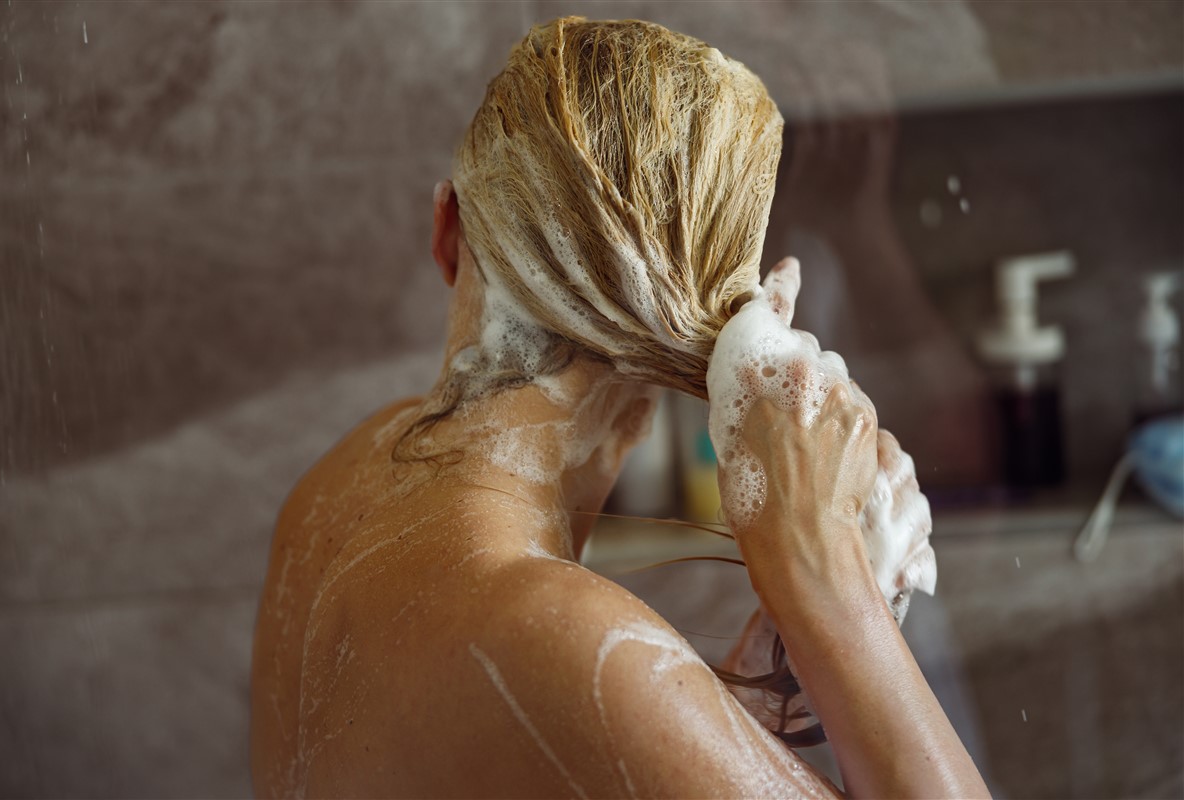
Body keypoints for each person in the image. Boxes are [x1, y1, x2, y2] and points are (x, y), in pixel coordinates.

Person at [250, 17, 990, 799]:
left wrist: (772, 660)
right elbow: (583, 702)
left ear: (445, 231)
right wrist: (828, 576)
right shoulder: (566, 640)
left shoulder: (338, 485)